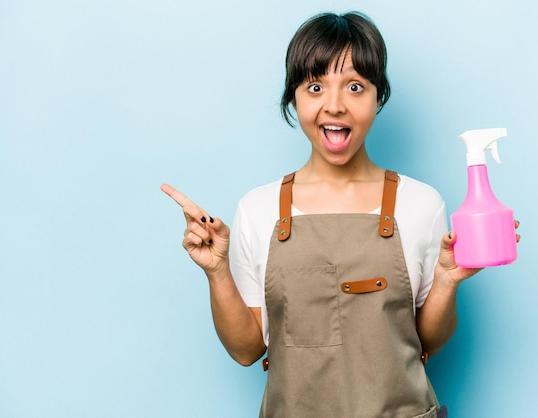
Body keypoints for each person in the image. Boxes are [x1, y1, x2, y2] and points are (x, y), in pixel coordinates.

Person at [161, 11, 519, 418]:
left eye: (354, 87)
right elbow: (246, 351)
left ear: (378, 96)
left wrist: (447, 281)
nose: (335, 106)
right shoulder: (258, 210)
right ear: (293, 97)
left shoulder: (421, 203)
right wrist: (216, 269)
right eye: (315, 86)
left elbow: (427, 342)